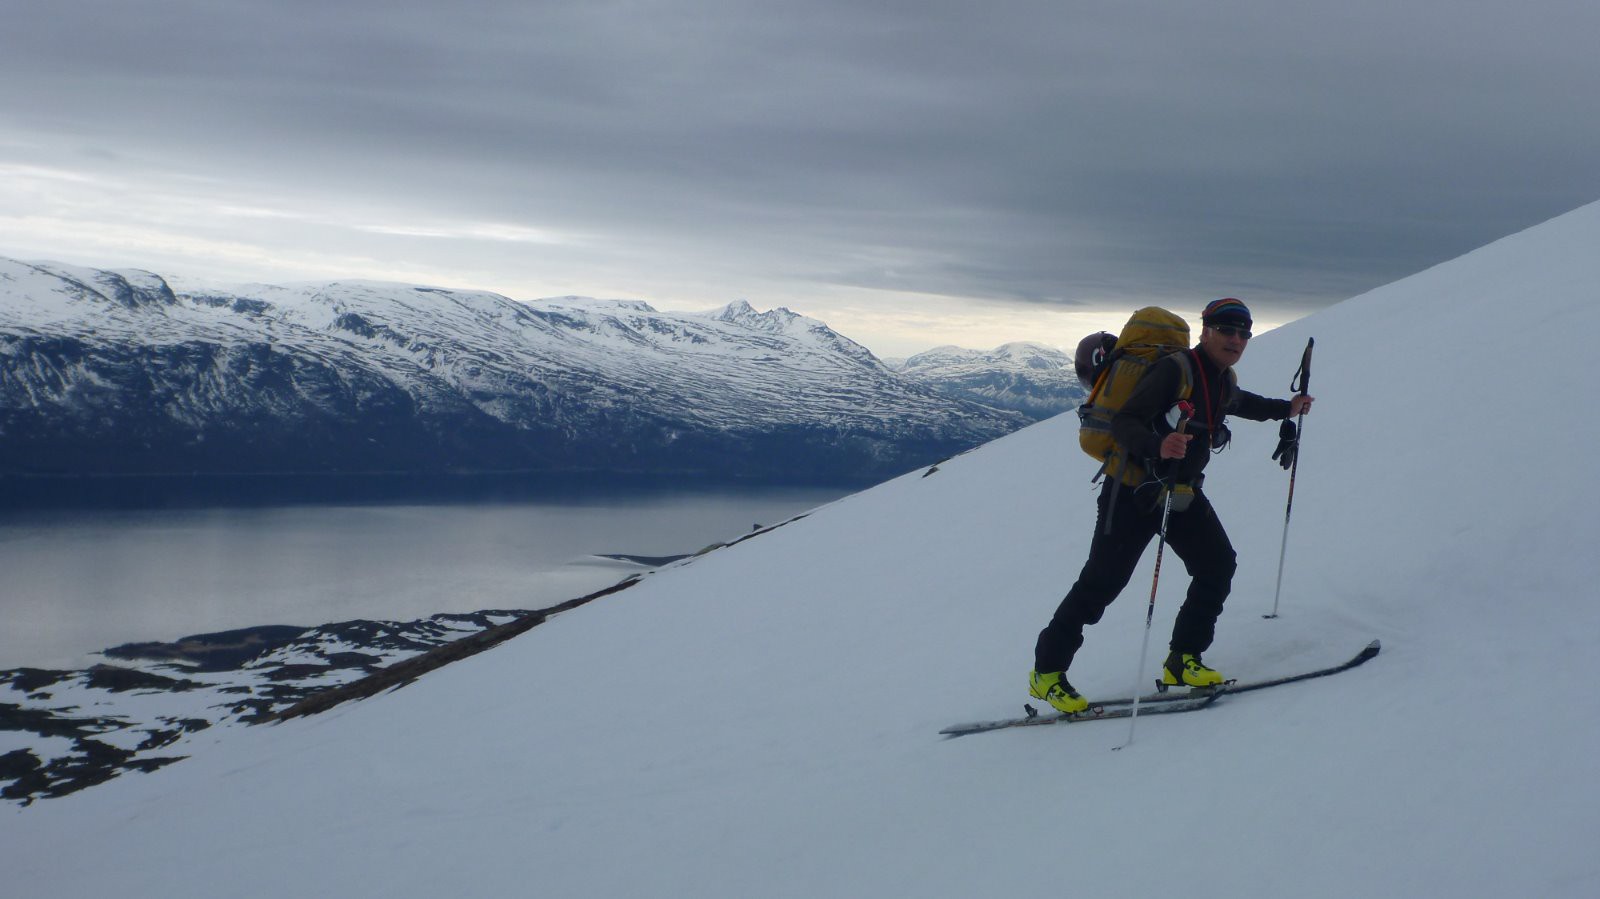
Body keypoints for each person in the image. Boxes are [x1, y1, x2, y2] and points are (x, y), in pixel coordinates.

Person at [1029, 298, 1314, 713]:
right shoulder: (1174, 369)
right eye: (1226, 330)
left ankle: (1183, 660)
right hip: (1131, 493)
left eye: (1243, 333)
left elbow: (1239, 402)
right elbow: (1126, 422)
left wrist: (1284, 409)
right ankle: (1047, 674)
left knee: (1217, 564)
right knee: (1101, 584)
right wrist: (1158, 443)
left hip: (1179, 492)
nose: (1235, 339)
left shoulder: (1220, 377)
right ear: (1206, 331)